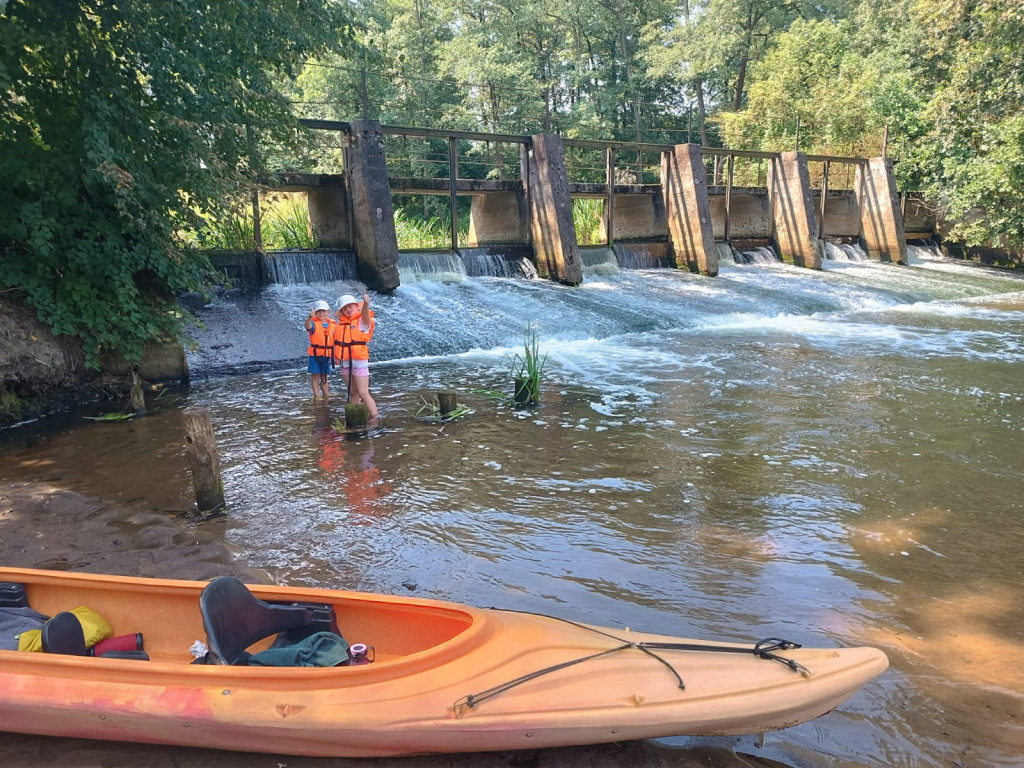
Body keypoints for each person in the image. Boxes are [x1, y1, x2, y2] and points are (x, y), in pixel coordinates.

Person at [333, 292, 377, 418]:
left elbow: (365, 316)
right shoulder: (339, 325)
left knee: (363, 393)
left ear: (356, 306)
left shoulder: (361, 322)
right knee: (353, 392)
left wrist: (366, 304)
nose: (347, 309)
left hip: (359, 361)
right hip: (345, 362)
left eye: (350, 306)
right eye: (344, 308)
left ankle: (375, 419)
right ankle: (357, 418)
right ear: (341, 311)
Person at [304, 300, 335, 399]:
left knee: (325, 376)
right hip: (315, 354)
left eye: (323, 311)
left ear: (328, 312)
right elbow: (307, 326)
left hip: (327, 354)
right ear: (315, 313)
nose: (321, 313)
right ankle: (317, 396)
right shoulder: (313, 323)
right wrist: (310, 317)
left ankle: (326, 394)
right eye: (318, 312)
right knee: (315, 375)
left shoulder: (333, 325)